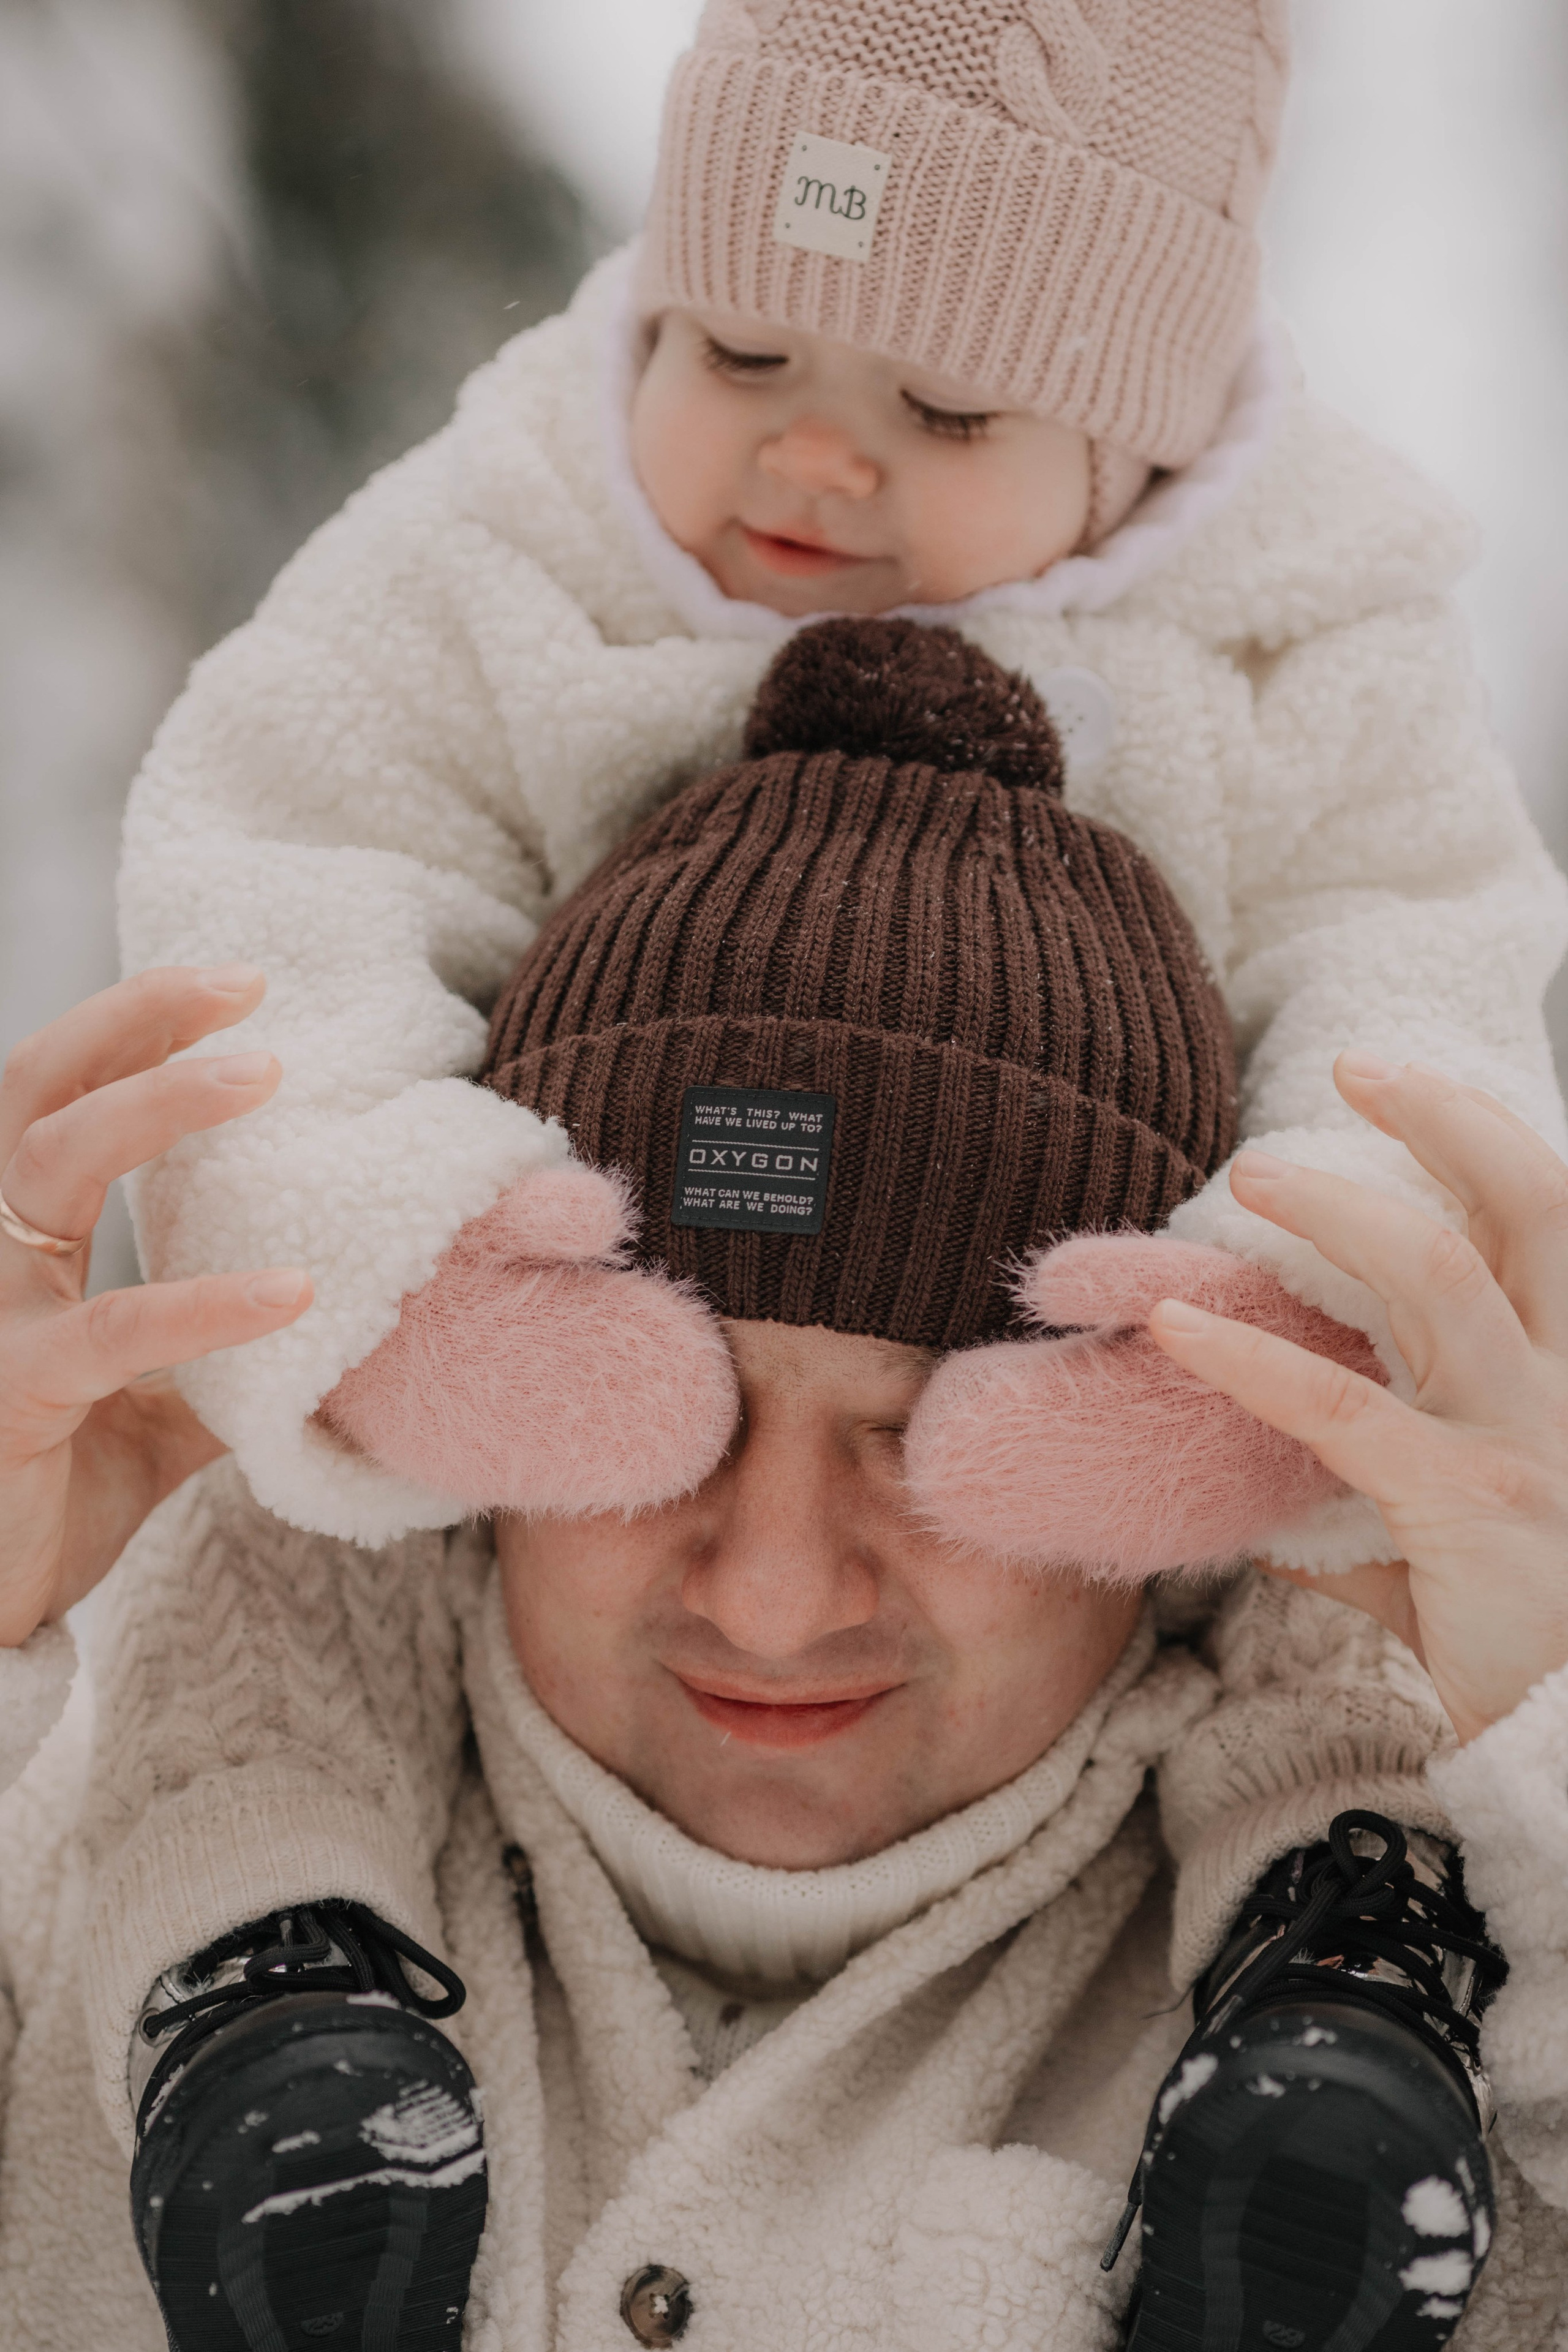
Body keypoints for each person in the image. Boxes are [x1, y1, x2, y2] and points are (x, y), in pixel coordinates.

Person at [2, 620, 1564, 2351]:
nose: (773, 1589)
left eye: (921, 1444)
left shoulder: (1490, 2025)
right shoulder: (62, 1894)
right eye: (659, 1421)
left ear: (1160, 1451)